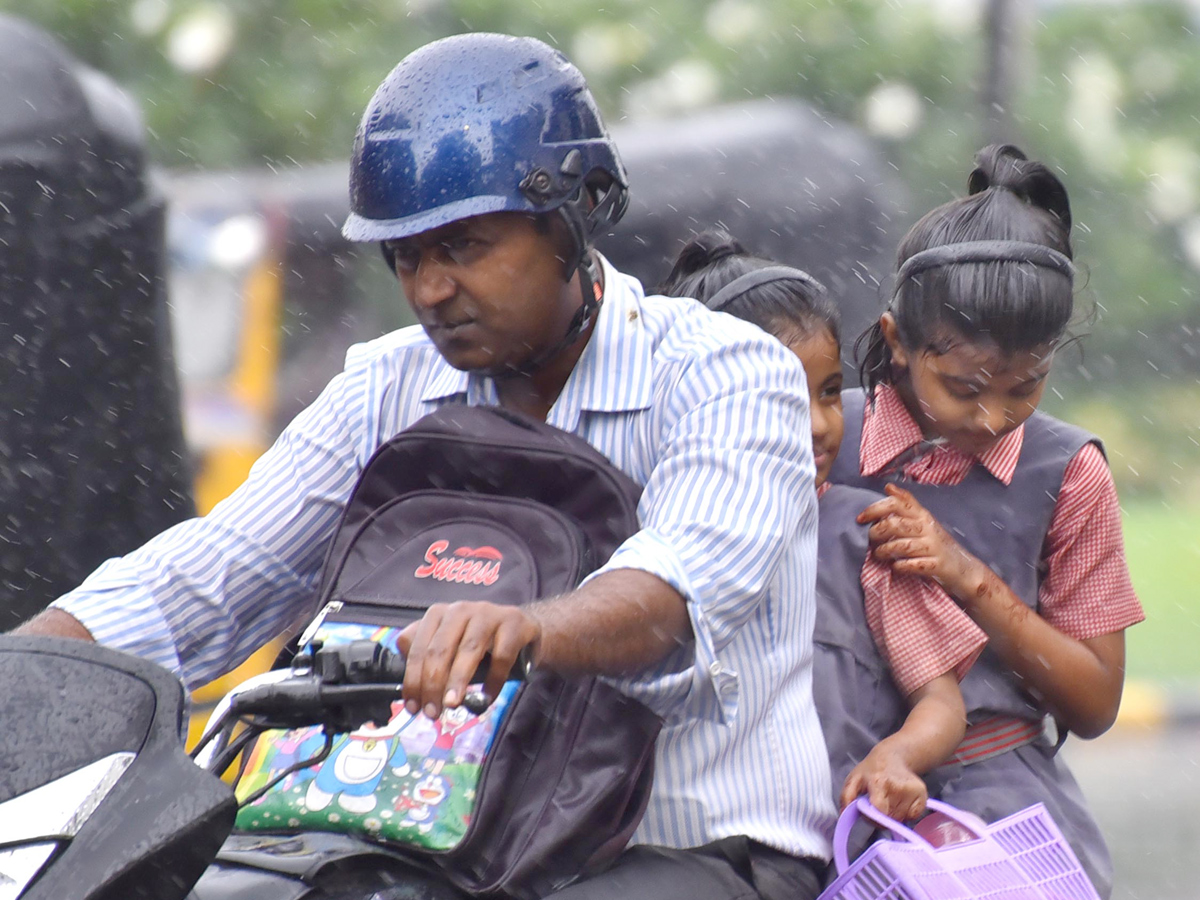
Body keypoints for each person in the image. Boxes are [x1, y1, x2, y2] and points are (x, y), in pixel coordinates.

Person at [15, 33, 837, 900]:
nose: (429, 289)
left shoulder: (729, 371)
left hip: (689, 852)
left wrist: (523, 628)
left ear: (576, 213)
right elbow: (216, 572)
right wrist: (29, 666)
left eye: (465, 247)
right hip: (431, 852)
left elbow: (673, 591)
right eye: (406, 256)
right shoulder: (387, 383)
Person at [834, 143, 1146, 897]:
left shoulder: (1068, 473)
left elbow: (1096, 701)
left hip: (997, 809)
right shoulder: (827, 440)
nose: (993, 415)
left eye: (1026, 386)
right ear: (896, 340)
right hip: (833, 788)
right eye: (964, 385)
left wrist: (965, 574)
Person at [658, 232, 987, 825]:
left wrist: (897, 755)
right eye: (782, 396)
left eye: (831, 393)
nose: (817, 424)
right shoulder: (650, 540)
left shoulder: (864, 537)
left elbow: (939, 700)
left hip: (836, 851)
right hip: (689, 841)